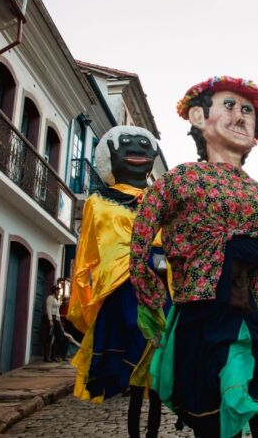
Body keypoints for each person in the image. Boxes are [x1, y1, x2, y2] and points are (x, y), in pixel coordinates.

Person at [129, 76, 258, 438]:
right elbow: (141, 234)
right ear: (200, 117)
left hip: (243, 318)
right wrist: (148, 293)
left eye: (247, 110)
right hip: (196, 317)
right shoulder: (179, 181)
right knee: (208, 418)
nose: (241, 116)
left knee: (250, 404)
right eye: (229, 106)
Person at [67, 125, 168, 438]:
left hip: (161, 291)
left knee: (155, 368)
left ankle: (151, 432)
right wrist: (82, 308)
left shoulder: (162, 202)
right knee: (134, 370)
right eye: (126, 143)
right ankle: (136, 434)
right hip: (120, 292)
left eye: (143, 143)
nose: (136, 149)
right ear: (110, 154)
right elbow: (84, 259)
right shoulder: (97, 202)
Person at [44, 285, 64, 362]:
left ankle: (53, 356)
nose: (59, 292)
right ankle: (47, 357)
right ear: (54, 291)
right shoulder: (50, 298)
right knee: (49, 337)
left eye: (59, 290)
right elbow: (48, 308)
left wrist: (60, 321)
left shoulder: (56, 299)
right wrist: (50, 320)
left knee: (58, 337)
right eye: (57, 290)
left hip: (57, 319)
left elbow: (57, 311)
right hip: (52, 318)